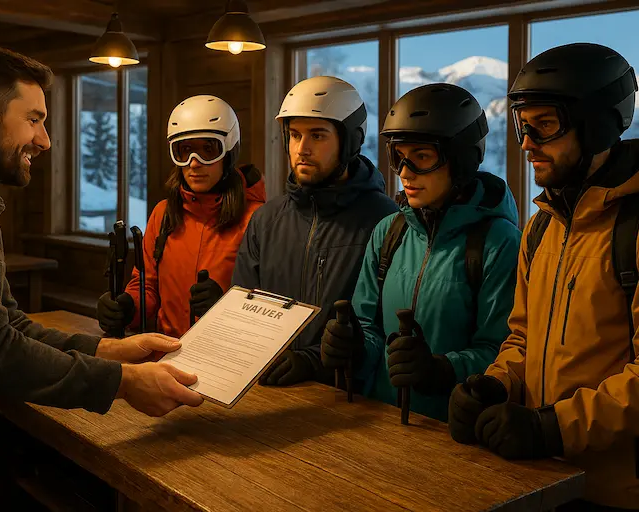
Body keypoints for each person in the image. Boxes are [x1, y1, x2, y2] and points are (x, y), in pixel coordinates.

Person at [0, 45, 203, 511]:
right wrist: (123, 381)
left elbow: (9, 325)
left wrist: (109, 349)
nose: (45, 140)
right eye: (34, 119)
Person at [447, 43, 639, 511]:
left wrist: (551, 427)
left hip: (622, 493)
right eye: (523, 127)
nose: (526, 144)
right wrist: (495, 384)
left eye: (545, 127)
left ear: (598, 124)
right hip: (542, 478)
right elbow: (523, 338)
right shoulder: (543, 224)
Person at [320, 83, 521, 421]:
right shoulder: (390, 232)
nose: (405, 172)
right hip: (380, 421)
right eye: (399, 157)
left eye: (422, 157)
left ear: (461, 160)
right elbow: (369, 326)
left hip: (456, 431)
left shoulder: (498, 242)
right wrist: (353, 345)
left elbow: (502, 350)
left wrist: (441, 369)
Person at [227, 75, 398, 387]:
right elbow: (244, 309)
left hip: (351, 403)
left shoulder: (386, 222)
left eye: (317, 136)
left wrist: (315, 361)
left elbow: (386, 328)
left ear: (350, 141)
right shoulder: (266, 220)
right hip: (268, 390)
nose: (302, 149)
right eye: (294, 135)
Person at [96, 95, 266, 338]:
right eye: (184, 151)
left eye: (208, 150)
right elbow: (147, 285)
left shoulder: (256, 220)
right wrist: (127, 306)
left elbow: (271, 305)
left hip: (229, 359)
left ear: (228, 151)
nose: (194, 163)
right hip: (168, 355)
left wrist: (227, 306)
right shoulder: (164, 215)